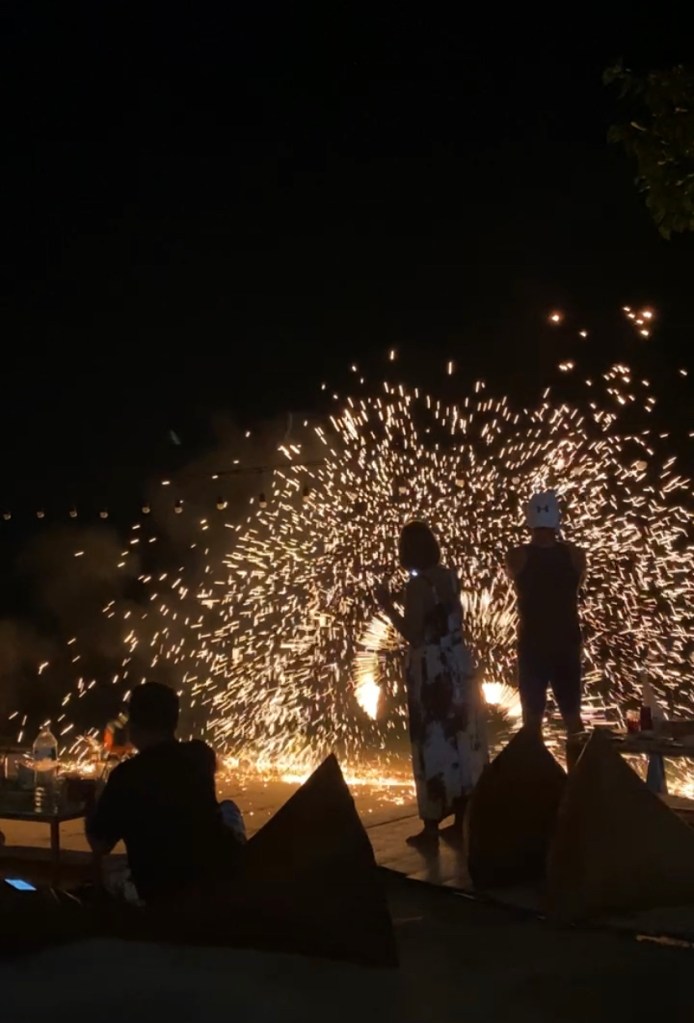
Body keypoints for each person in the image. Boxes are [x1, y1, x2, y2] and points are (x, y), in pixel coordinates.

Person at [375, 521, 487, 848]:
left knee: (431, 743)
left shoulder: (417, 587)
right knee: (460, 738)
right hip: (458, 667)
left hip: (432, 671)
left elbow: (414, 634)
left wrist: (387, 606)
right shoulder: (449, 576)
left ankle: (431, 825)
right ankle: (463, 816)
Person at [86, 682, 245, 904]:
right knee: (228, 808)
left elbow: (99, 844)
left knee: (114, 877)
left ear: (133, 725)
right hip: (212, 879)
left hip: (161, 891)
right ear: (174, 722)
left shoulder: (126, 776)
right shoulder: (200, 754)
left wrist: (93, 800)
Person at [505, 490, 586, 751]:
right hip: (566, 643)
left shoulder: (517, 556)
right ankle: (581, 770)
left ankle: (535, 772)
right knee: (573, 720)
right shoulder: (576, 555)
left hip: (533, 645)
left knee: (532, 723)